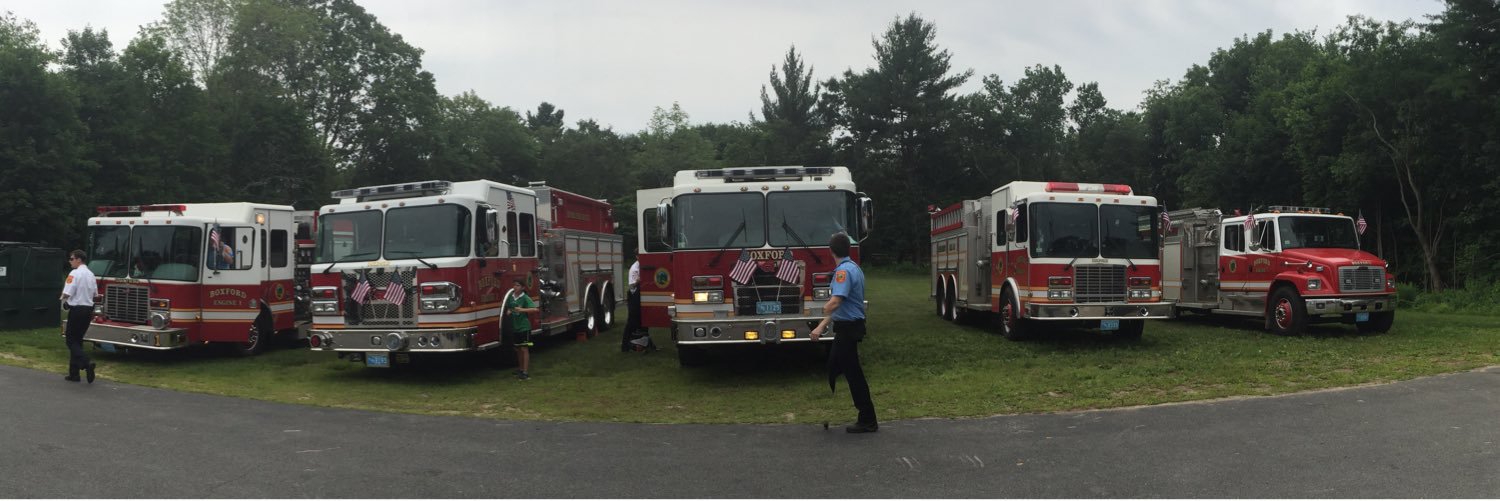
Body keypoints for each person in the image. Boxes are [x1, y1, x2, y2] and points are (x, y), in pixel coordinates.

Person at [810, 232, 876, 433]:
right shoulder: (853, 268)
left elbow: (836, 302)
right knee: (837, 366)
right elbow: (842, 306)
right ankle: (863, 415)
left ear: (831, 251)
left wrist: (821, 310)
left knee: (852, 373)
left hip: (848, 329)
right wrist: (821, 326)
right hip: (847, 327)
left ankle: (867, 419)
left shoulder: (843, 273)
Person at [59, 250, 98, 383]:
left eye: (71, 259)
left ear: (79, 260)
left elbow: (67, 292)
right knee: (78, 340)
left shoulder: (74, 273)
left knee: (70, 340)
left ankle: (86, 363)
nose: (70, 261)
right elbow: (95, 294)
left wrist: (62, 302)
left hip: (77, 310)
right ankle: (74, 374)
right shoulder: (91, 275)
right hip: (88, 310)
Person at [504, 279, 540, 380]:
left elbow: (534, 309)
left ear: (523, 288)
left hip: (524, 327)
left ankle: (525, 372)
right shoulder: (511, 298)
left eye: (518, 285)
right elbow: (509, 307)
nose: (515, 287)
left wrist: (522, 310)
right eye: (514, 285)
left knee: (524, 349)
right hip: (515, 327)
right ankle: (520, 369)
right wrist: (509, 311)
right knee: (518, 349)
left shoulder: (525, 297)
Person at [621, 259, 656, 353]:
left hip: (641, 296)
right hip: (634, 297)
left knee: (644, 320)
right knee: (632, 322)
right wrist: (638, 281)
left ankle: (645, 344)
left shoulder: (644, 265)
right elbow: (632, 285)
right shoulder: (634, 268)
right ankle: (625, 346)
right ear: (637, 256)